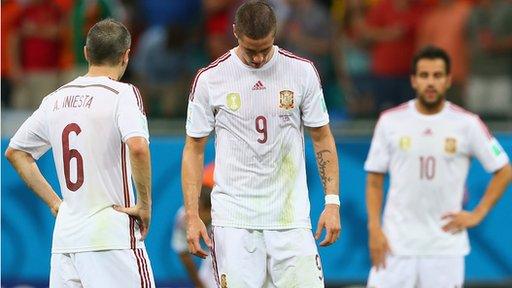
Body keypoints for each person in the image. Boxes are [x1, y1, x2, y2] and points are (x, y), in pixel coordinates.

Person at [181, 1, 341, 287]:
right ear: (235, 33)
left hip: (290, 217)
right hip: (234, 221)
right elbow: (194, 148)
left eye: (265, 50)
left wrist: (332, 203)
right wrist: (192, 215)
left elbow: (322, 137)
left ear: (275, 34)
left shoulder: (302, 72)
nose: (257, 59)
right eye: (250, 50)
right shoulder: (210, 79)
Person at [5, 19, 155, 287]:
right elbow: (138, 148)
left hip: (66, 240)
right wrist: (144, 204)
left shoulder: (55, 99)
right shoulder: (123, 94)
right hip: (111, 236)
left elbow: (16, 152)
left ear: (86, 52)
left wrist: (55, 203)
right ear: (126, 55)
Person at [364, 45, 512, 288]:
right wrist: (374, 229)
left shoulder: (467, 124)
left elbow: (504, 170)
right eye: (424, 75)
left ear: (448, 80)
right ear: (413, 80)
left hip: (445, 248)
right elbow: (374, 179)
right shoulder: (390, 121)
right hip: (396, 244)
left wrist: (478, 213)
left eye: (437, 75)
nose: (430, 82)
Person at [172, 164, 216, 288]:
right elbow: (183, 254)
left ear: (210, 210)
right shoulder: (184, 217)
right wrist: (199, 285)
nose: (196, 213)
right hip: (211, 257)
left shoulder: (224, 216)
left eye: (200, 210)